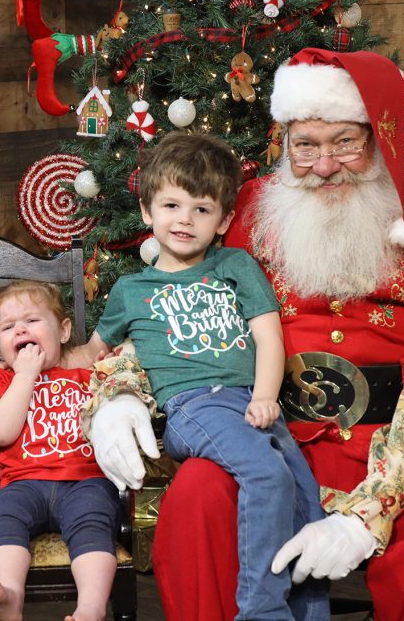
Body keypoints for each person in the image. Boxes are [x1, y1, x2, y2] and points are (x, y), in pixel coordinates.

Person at [85, 48, 404, 621]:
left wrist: (367, 514)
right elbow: (168, 309)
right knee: (196, 498)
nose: (324, 164)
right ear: (284, 143)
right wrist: (119, 391)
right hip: (261, 435)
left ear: (382, 142)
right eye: (305, 145)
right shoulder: (237, 222)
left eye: (346, 142)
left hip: (397, 448)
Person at [77, 132, 329, 620]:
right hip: (195, 405)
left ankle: (308, 615)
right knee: (267, 474)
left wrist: (264, 396)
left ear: (224, 221)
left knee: (304, 498)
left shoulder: (235, 265)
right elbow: (93, 352)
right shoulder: (132, 288)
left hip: (248, 401)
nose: (185, 220)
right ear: (147, 212)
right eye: (171, 205)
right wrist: (36, 358)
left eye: (202, 209)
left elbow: (268, 337)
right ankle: (261, 611)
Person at [0, 280, 120, 621]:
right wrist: (24, 376)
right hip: (23, 484)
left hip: (85, 480)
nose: (21, 329)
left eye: (32, 320)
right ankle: (10, 595)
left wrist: (111, 369)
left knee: (92, 521)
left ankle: (91, 608)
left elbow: (118, 401)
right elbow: (0, 433)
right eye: (8, 327)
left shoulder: (87, 374)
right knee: (1, 516)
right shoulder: (1, 381)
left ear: (63, 331)